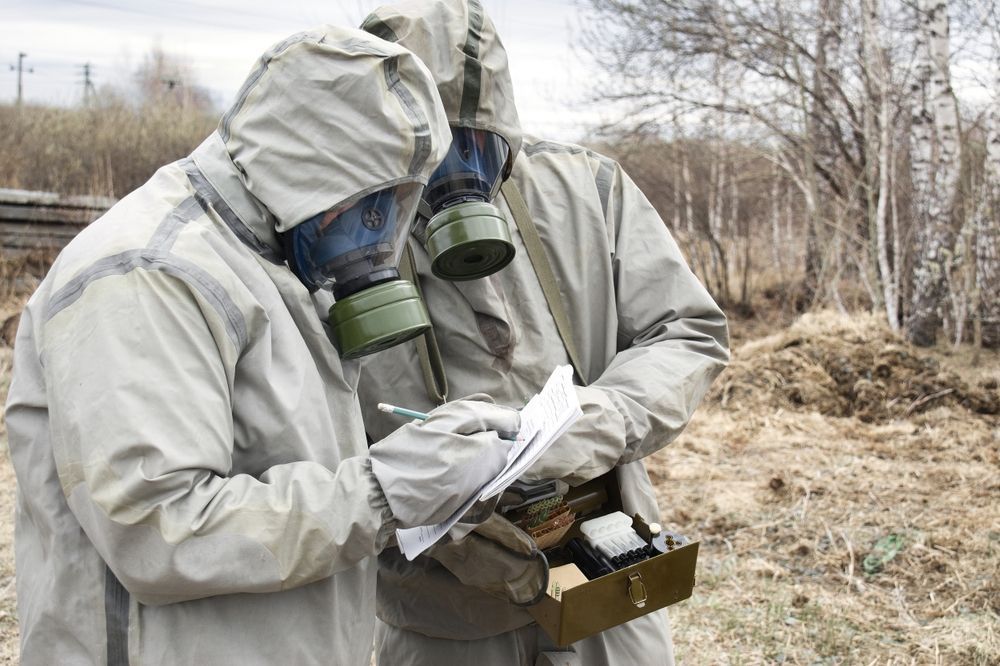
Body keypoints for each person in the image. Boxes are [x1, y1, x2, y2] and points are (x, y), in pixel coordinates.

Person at [3, 25, 519, 665]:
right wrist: (386, 492)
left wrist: (439, 473)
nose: (379, 227)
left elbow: (293, 473)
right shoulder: (150, 273)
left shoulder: (276, 256)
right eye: (368, 198)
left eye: (396, 200)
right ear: (300, 166)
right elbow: (159, 530)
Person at [356, 2, 731, 665]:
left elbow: (687, 332)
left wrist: (602, 419)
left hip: (608, 574)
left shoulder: (587, 189)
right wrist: (414, 495)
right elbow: (310, 424)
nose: (454, 169)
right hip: (441, 609)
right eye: (430, 145)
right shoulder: (342, 232)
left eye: (475, 141)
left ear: (505, 122)